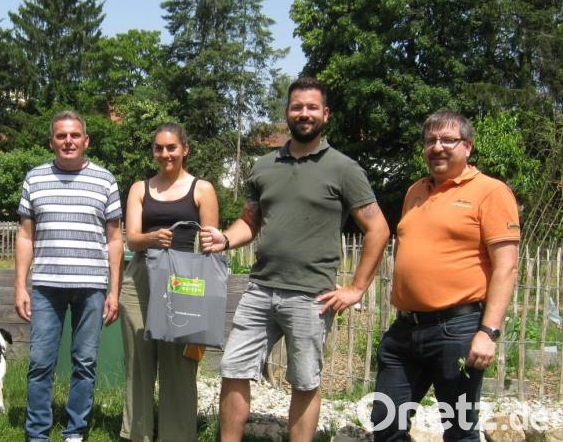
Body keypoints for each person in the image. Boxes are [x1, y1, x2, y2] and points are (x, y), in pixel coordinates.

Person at [201, 77, 391, 442]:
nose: (304, 114)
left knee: (304, 381)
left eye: (312, 107)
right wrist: (226, 238)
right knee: (234, 370)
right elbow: (250, 221)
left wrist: (356, 289)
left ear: (326, 114)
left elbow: (378, 229)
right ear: (287, 112)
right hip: (260, 288)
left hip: (311, 296)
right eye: (297, 107)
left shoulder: (344, 169)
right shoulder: (264, 165)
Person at [370, 111, 520, 441]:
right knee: (386, 423)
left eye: (447, 140)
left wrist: (488, 332)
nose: (437, 147)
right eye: (430, 141)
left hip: (457, 332)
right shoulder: (415, 191)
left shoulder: (491, 193)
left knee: (459, 430)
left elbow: (506, 267)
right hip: (405, 331)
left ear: (467, 146)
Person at [13, 110, 123, 442]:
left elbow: (116, 238)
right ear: (52, 141)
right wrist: (20, 284)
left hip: (92, 287)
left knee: (85, 363)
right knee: (40, 363)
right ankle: (37, 433)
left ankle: (75, 432)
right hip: (46, 286)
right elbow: (24, 235)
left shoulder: (105, 180)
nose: (68, 141)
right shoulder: (35, 178)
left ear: (86, 140)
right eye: (61, 136)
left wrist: (114, 291)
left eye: (74, 135)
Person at [119, 124, 219, 442]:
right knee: (139, 363)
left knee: (179, 366)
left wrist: (203, 296)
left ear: (184, 150)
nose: (165, 154)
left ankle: (177, 436)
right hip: (141, 280)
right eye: (159, 148)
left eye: (172, 147)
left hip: (184, 281)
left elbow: (210, 245)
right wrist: (151, 237)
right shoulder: (140, 188)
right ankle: (138, 434)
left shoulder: (202, 189)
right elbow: (132, 239)